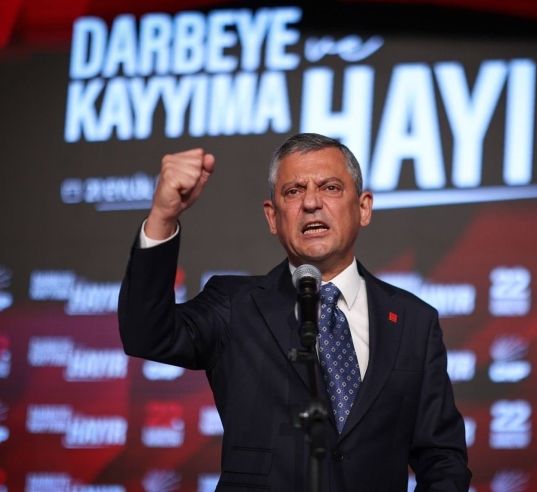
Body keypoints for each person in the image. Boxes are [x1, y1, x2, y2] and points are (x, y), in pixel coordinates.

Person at [118, 133, 471, 491]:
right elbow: (147, 334)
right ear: (272, 217)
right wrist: (163, 216)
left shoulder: (413, 321)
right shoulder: (234, 305)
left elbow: (442, 458)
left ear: (364, 207)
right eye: (293, 191)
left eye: (330, 187)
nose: (312, 203)